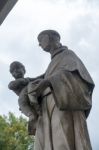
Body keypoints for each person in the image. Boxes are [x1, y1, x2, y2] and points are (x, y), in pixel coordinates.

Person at [31, 30, 95, 150]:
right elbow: (46, 76)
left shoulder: (68, 54)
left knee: (63, 138)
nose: (39, 44)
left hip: (62, 100)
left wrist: (48, 81)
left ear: (51, 38)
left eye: (41, 40)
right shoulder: (53, 62)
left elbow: (78, 78)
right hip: (47, 105)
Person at [8, 61, 41, 135]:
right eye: (13, 71)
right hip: (24, 99)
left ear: (23, 69)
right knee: (21, 102)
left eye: (17, 68)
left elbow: (39, 78)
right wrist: (22, 81)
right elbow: (11, 86)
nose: (16, 71)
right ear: (12, 74)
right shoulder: (13, 82)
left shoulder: (28, 79)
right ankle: (31, 115)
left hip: (34, 93)